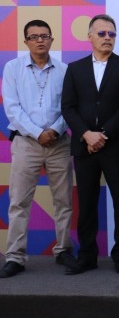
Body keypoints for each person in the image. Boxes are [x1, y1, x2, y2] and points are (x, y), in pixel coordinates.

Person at [61, 14, 119, 275]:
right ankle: (87, 256)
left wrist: (102, 134)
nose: (108, 38)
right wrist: (87, 134)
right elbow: (68, 107)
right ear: (89, 37)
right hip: (84, 146)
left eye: (112, 34)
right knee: (86, 202)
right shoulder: (75, 69)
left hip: (116, 145)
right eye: (102, 33)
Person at [0, 20, 75, 278]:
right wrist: (37, 132)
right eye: (34, 37)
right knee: (19, 201)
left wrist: (54, 130)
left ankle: (63, 249)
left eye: (44, 36)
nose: (40, 40)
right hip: (25, 142)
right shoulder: (12, 68)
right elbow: (12, 107)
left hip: (59, 143)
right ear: (26, 42)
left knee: (63, 201)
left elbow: (69, 106)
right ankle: (15, 257)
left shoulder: (64, 70)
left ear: (52, 40)